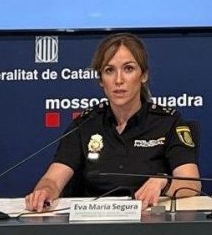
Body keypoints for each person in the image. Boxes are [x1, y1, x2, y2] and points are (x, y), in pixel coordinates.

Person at [24, 33, 200, 211]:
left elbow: (191, 183)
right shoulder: (85, 124)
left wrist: (164, 182)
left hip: (150, 225)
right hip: (92, 227)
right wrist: (44, 191)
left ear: (144, 75)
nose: (118, 80)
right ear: (101, 80)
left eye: (128, 69)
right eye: (109, 70)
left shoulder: (168, 122)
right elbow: (53, 179)